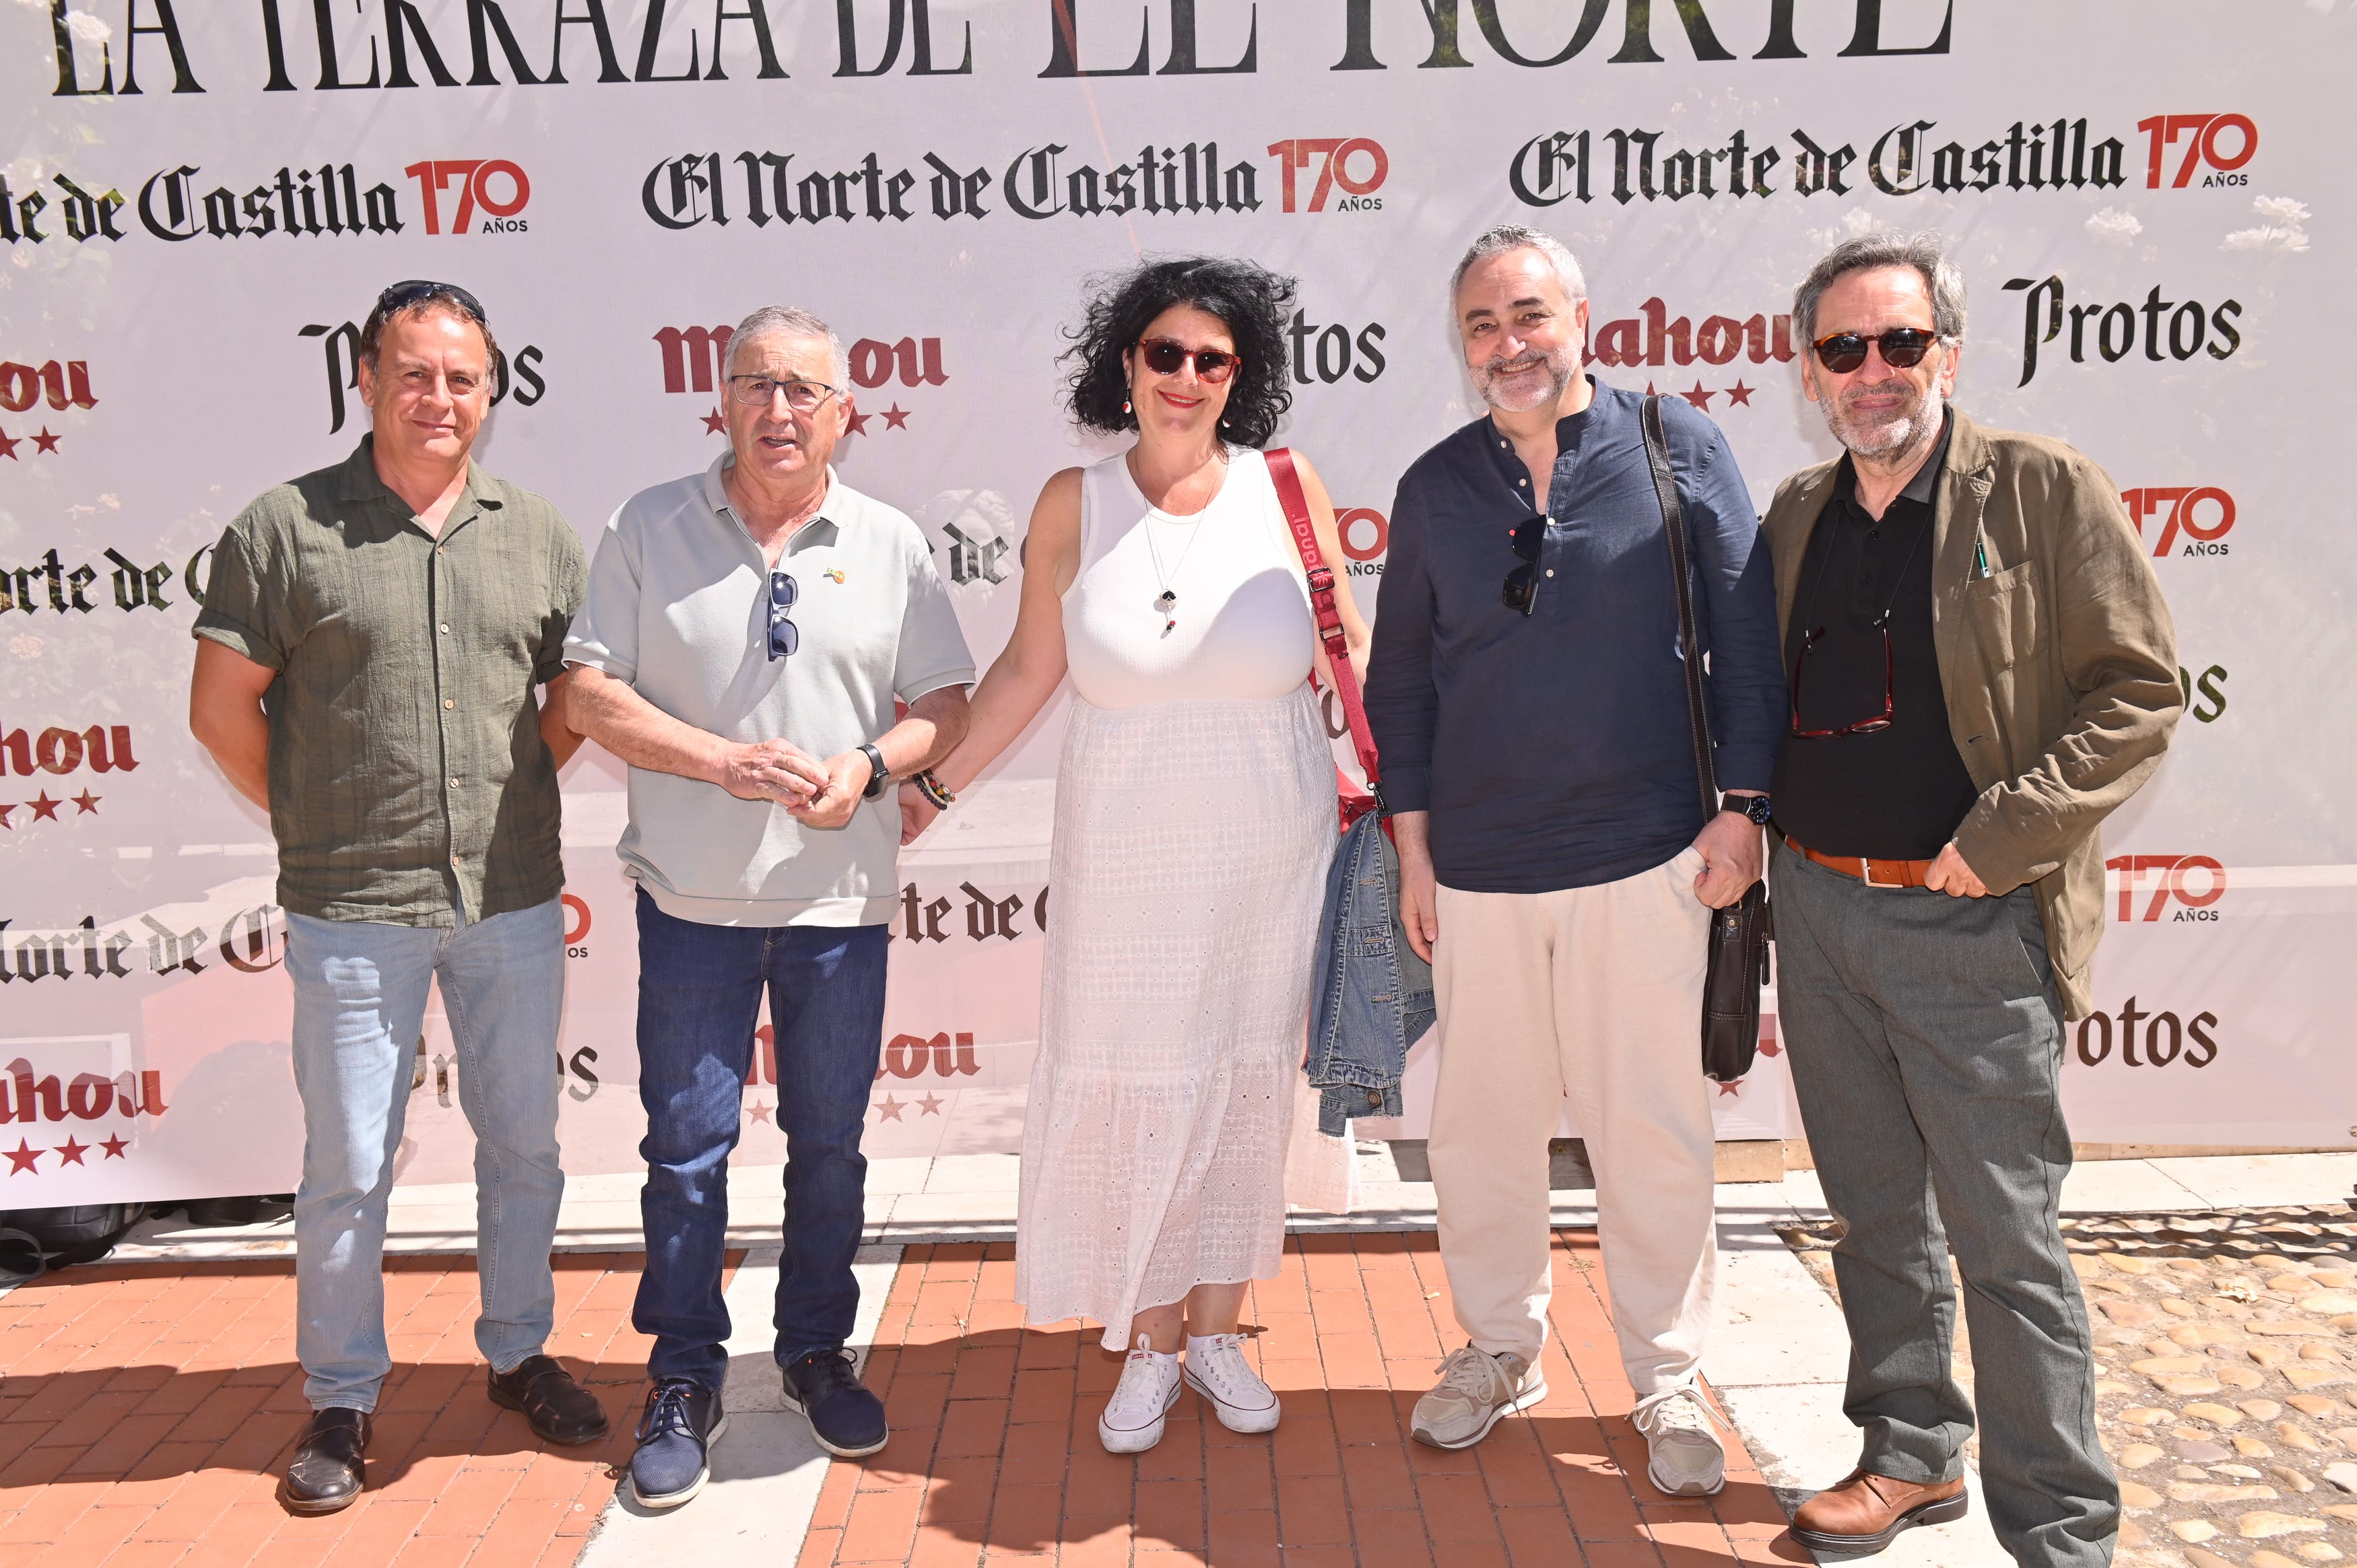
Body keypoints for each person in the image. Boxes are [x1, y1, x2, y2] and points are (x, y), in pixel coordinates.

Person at [900, 257, 1369, 1456]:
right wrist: (934, 788)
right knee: (1144, 1079)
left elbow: (1355, 653)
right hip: (1126, 854)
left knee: (1245, 1076)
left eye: (1215, 360)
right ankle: (1150, 1339)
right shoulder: (1075, 500)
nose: (1189, 377)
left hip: (1272, 846)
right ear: (1127, 364)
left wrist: (1424, 806)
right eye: (1167, 353)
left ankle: (1217, 1325)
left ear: (1241, 378)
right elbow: (1022, 673)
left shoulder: (1286, 485)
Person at [1764, 232, 2178, 1565]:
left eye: (1898, 343)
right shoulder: (1795, 517)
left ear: (1946, 348)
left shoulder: (2042, 493)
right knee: (1873, 1212)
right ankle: (1908, 1453)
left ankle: (2062, 1531)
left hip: (1971, 924)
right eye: (1844, 349)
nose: (1872, 372)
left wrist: (2004, 836)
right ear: (1811, 368)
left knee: (2007, 1240)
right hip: (1820, 919)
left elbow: (2138, 692)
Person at [1362, 226, 1785, 1494]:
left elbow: (1746, 636)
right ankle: (1500, 1347)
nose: (1510, 345)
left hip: (1647, 859)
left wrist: (1746, 808)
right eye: (1484, 326)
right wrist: (1415, 843)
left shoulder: (1676, 443)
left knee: (1650, 1134)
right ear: (1464, 344)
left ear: (1583, 317)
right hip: (1483, 870)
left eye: (1530, 316)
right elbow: (1402, 680)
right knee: (1483, 1132)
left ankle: (1665, 1377)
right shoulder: (1436, 486)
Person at [188, 280, 603, 1515]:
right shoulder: (285, 528)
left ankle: (518, 1351)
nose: (438, 397)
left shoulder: (537, 533)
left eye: (462, 377)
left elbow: (566, 708)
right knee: (350, 1161)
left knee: (523, 1143)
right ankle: (344, 1395)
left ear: (493, 390)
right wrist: (327, 827)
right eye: (413, 372)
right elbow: (221, 712)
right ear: (365, 379)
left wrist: (501, 798)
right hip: (348, 911)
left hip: (514, 899)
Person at [563, 305, 974, 1509]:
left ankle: (811, 1350)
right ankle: (684, 1372)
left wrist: (874, 766)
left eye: (805, 391)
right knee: (686, 1154)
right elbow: (590, 695)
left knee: (832, 1146)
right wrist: (719, 761)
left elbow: (942, 701)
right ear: (721, 400)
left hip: (839, 901)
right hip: (691, 902)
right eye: (757, 385)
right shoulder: (646, 527)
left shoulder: (890, 541)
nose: (780, 410)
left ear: (847, 411)